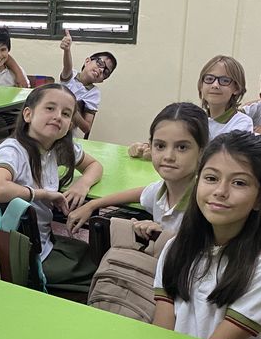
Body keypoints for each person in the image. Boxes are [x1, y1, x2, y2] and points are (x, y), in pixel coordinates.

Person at [154, 131, 261, 339]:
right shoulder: (176, 248)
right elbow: (162, 336)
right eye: (211, 178)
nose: (220, 191)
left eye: (239, 183)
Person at [0, 83, 103, 288]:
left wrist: (83, 184)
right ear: (28, 114)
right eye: (50, 108)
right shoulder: (13, 150)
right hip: (23, 255)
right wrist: (44, 194)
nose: (58, 116)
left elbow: (95, 166)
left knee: (97, 253)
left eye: (66, 114)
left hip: (43, 241)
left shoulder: (57, 148)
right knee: (102, 271)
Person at [68, 102, 209, 242]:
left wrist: (163, 235)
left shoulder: (206, 201)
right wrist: (92, 205)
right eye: (160, 146)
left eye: (182, 147)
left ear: (202, 152)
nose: (168, 156)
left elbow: (205, 248)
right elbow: (142, 193)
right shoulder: (164, 191)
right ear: (150, 146)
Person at [58, 30, 116, 137]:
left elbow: (86, 128)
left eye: (106, 72)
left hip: (67, 135)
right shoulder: (71, 76)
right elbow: (67, 67)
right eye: (100, 63)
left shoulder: (94, 93)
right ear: (87, 61)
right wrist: (67, 50)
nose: (101, 70)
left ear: (102, 80)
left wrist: (72, 108)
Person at [198, 55, 254, 139]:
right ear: (201, 85)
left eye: (224, 80)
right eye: (209, 79)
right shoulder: (196, 120)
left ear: (237, 88)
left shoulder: (242, 123)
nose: (215, 85)